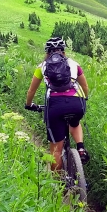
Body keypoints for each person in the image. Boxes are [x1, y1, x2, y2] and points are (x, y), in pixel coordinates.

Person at [25, 37, 90, 171]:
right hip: (76, 103)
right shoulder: (74, 64)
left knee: (56, 150)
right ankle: (81, 148)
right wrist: (85, 98)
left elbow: (31, 90)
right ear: (63, 51)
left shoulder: (42, 66)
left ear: (47, 52)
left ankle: (59, 186)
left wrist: (29, 104)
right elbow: (85, 86)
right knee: (75, 122)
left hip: (55, 106)